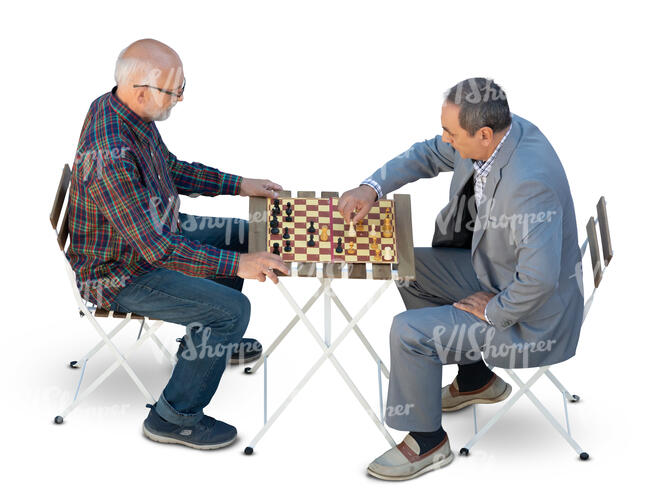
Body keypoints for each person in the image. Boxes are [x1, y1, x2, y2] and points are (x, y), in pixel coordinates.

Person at [338, 78, 583, 480]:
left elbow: (539, 280)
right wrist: (372, 187)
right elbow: (426, 153)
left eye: (451, 133)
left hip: (533, 315)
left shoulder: (529, 184)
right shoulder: (500, 133)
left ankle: (427, 441)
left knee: (408, 332)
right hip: (501, 271)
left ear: (483, 135)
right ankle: (476, 378)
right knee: (406, 267)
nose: (443, 139)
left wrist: (494, 311)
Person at [66, 39, 289, 450]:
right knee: (233, 307)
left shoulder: (123, 107)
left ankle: (206, 343)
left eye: (183, 85)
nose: (181, 98)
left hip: (147, 234)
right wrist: (239, 265)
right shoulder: (110, 153)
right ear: (140, 90)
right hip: (118, 271)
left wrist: (238, 184)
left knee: (241, 234)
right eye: (174, 90)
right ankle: (174, 417)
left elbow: (169, 169)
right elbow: (159, 251)